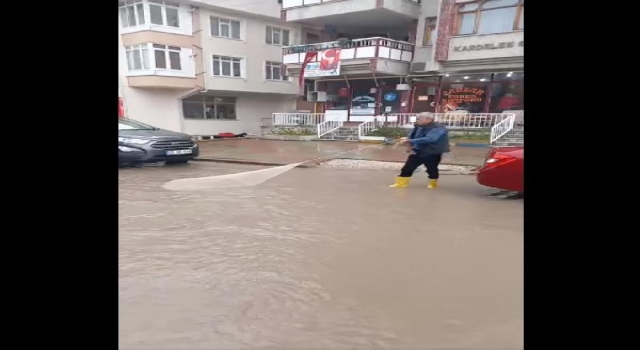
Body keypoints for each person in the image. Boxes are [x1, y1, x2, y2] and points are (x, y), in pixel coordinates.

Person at [388, 112, 450, 189]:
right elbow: (412, 136)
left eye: (419, 118)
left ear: (428, 119)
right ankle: (401, 184)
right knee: (408, 167)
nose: (417, 120)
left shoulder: (438, 128)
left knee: (432, 169)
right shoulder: (419, 126)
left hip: (433, 152)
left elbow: (431, 139)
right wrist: (409, 145)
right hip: (418, 151)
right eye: (417, 118)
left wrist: (410, 141)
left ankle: (433, 184)